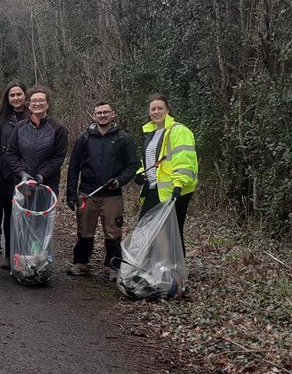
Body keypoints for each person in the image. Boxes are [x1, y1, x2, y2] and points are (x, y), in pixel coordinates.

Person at [66, 100, 138, 277]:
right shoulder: (84, 138)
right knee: (84, 230)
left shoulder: (123, 138)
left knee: (113, 232)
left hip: (112, 194)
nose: (103, 115)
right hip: (88, 193)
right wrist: (71, 194)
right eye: (99, 113)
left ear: (113, 114)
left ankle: (113, 266)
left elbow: (133, 165)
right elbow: (74, 167)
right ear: (93, 115)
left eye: (106, 112)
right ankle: (81, 262)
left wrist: (119, 181)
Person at [137, 93, 199, 250]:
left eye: (160, 108)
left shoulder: (179, 131)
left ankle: (175, 272)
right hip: (154, 189)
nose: (156, 112)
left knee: (172, 233)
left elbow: (185, 159)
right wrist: (141, 173)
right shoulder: (151, 134)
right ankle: (155, 269)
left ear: (168, 110)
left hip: (175, 190)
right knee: (148, 229)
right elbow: (151, 160)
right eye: (153, 109)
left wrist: (178, 184)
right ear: (148, 112)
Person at [5, 86, 69, 199]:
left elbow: (59, 157)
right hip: (23, 183)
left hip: (48, 183)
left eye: (41, 100)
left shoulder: (58, 128)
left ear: (47, 104)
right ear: (29, 105)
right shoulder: (20, 127)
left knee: (43, 217)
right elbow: (10, 153)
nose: (37, 103)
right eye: (34, 101)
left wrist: (42, 175)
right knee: (22, 216)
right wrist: (22, 173)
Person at [0, 80, 28, 261]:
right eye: (12, 95)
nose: (16, 98)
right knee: (8, 214)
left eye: (19, 94)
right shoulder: (0, 116)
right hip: (5, 173)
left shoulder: (32, 116)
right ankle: (8, 254)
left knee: (26, 216)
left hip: (27, 172)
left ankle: (24, 254)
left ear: (25, 95)